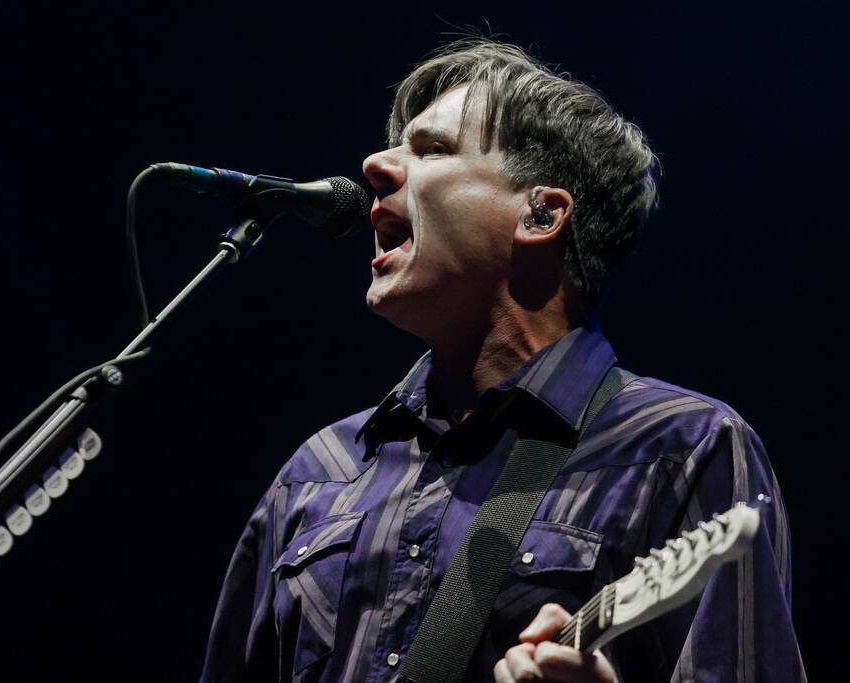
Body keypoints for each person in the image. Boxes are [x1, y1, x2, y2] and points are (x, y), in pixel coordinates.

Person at [200, 38, 805, 682]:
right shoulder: (318, 472)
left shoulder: (682, 447)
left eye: (433, 149)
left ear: (541, 214)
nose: (375, 164)